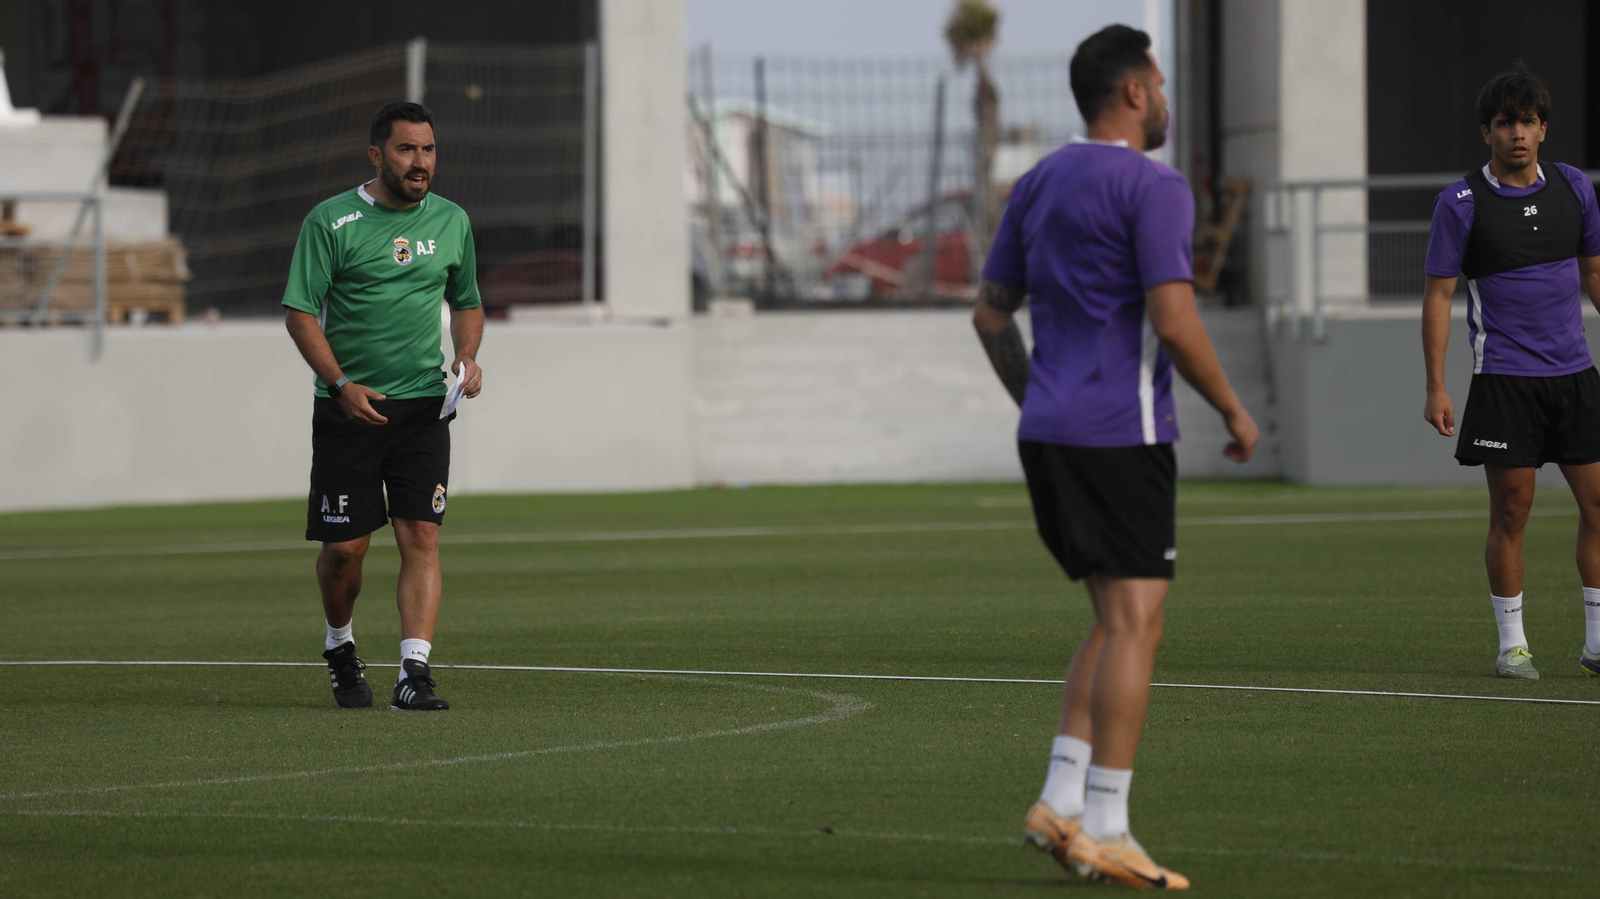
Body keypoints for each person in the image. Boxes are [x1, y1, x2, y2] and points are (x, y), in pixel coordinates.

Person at [972, 24, 1258, 891]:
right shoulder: (1154, 187)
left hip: (1051, 432)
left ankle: (1058, 800)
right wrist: (1236, 412)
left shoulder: (1037, 181)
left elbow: (990, 316)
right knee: (1138, 622)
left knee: (1109, 616)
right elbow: (1174, 321)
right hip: (1121, 434)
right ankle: (1109, 826)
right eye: (1160, 84)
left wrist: (1043, 406)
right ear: (1133, 93)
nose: (1166, 98)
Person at [282, 101, 484, 711]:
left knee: (421, 533)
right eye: (406, 150)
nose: (419, 162)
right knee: (346, 551)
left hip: (424, 407)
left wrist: (467, 355)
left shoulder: (452, 220)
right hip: (351, 409)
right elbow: (299, 313)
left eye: (427, 149)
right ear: (376, 155)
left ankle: (413, 673)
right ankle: (340, 646)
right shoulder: (330, 221)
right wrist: (340, 384)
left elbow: (467, 299)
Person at [1422, 64, 1600, 681]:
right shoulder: (1461, 203)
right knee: (1511, 513)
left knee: (1599, 505)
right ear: (1486, 132)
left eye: (1527, 122)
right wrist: (1437, 385)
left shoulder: (1576, 189)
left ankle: (1597, 643)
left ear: (1543, 129)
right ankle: (1512, 646)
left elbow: (1595, 275)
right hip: (1504, 380)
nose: (1517, 134)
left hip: (1575, 377)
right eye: (1505, 124)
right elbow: (1439, 297)